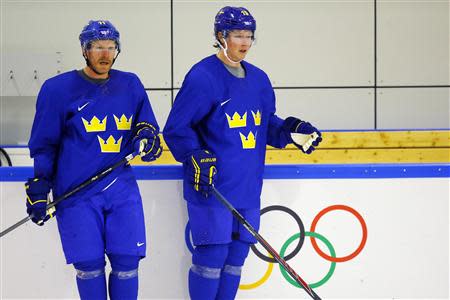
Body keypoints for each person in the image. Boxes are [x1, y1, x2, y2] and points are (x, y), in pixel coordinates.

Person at [163, 6, 322, 300]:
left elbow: (265, 125)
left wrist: (291, 131)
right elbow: (176, 129)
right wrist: (193, 154)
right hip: (212, 188)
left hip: (247, 188)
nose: (245, 42)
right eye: (238, 35)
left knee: (236, 257)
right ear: (221, 36)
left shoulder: (259, 80)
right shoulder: (202, 77)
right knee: (212, 256)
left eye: (249, 36)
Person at [26, 20, 162, 300]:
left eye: (111, 48)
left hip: (121, 190)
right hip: (77, 195)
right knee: (89, 267)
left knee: (127, 262)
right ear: (85, 50)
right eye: (99, 47)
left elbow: (145, 125)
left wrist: (146, 138)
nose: (105, 54)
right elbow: (44, 145)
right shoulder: (57, 90)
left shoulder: (130, 84)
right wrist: (40, 186)